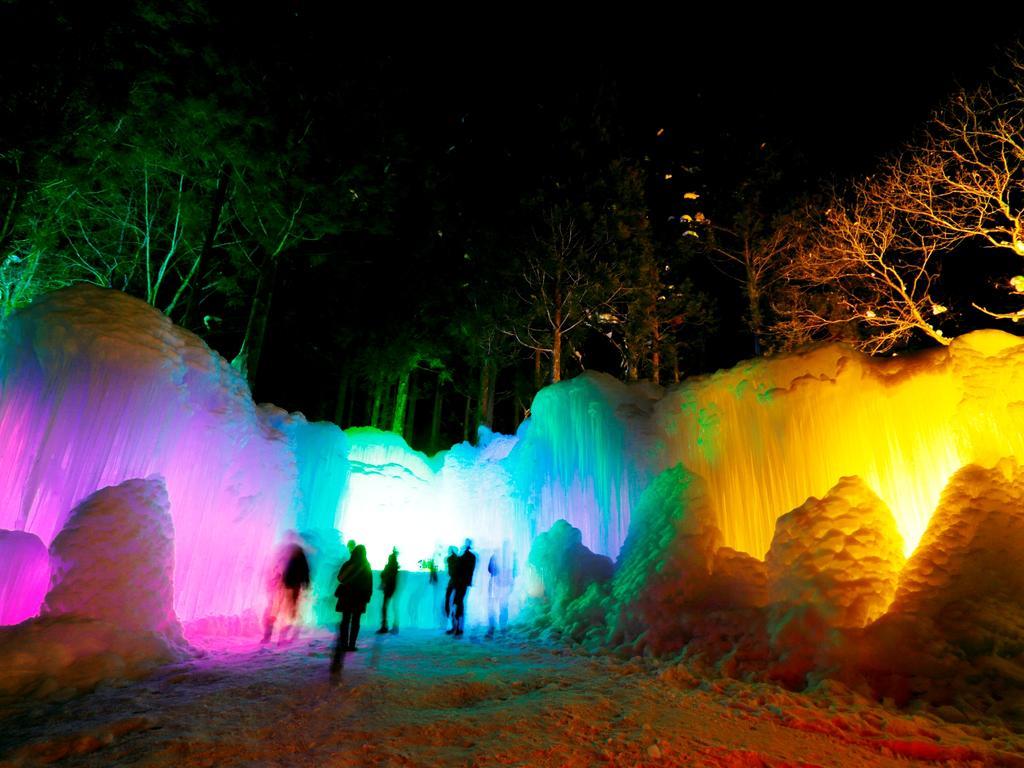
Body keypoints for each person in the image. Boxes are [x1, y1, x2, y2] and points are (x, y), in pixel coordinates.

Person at [330, 544, 373, 673]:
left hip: (347, 597)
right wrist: (367, 596)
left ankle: (343, 643)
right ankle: (351, 644)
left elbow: (340, 578)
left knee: (345, 620)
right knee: (355, 621)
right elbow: (369, 583)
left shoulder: (348, 564)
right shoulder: (366, 566)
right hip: (359, 599)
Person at [262, 540, 311, 645]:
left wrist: (305, 584)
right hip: (287, 586)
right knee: (283, 611)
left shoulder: (298, 560)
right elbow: (303, 573)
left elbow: (305, 573)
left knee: (289, 612)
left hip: (292, 587)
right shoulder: (292, 559)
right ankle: (273, 636)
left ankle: (282, 637)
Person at [486, 541, 516, 639]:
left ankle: (495, 628)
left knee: (497, 607)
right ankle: (500, 628)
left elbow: (490, 569)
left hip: (499, 585)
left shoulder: (497, 556)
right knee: (500, 607)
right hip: (500, 585)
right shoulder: (509, 557)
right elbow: (515, 572)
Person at [451, 539, 476, 637]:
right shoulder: (470, 556)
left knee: (458, 603)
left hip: (461, 583)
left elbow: (462, 569)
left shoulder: (466, 557)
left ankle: (458, 628)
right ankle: (458, 627)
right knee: (459, 603)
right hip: (462, 583)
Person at [377, 547, 400, 634]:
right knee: (391, 607)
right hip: (391, 588)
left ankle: (385, 626)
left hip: (388, 588)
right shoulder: (394, 566)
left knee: (385, 607)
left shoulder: (390, 566)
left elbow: (383, 575)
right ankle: (393, 626)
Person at [443, 545, 459, 633]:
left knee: (450, 603)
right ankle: (454, 626)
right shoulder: (456, 559)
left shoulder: (450, 559)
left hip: (453, 582)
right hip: (455, 582)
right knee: (453, 603)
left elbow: (450, 572)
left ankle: (453, 626)